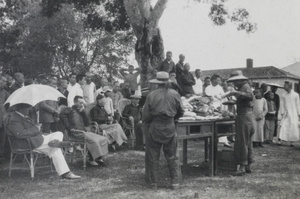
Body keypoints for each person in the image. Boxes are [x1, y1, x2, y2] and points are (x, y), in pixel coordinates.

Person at [4, 104, 80, 179]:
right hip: (28, 143)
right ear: (22, 109)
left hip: (36, 139)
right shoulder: (14, 119)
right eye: (28, 108)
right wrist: (36, 129)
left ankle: (55, 142)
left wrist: (37, 128)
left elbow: (29, 130)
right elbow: (20, 134)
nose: (29, 110)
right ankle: (65, 172)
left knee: (58, 133)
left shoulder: (21, 117)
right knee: (54, 148)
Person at [143, 71, 184, 190]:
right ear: (168, 82)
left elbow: (146, 116)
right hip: (170, 126)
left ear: (157, 83)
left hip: (155, 126)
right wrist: (173, 118)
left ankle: (153, 183)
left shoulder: (151, 95)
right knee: (172, 156)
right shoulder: (175, 94)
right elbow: (181, 111)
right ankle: (175, 183)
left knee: (153, 156)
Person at [59, 96, 109, 166]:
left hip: (83, 132)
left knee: (102, 138)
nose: (82, 104)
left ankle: (98, 157)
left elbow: (87, 123)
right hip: (75, 133)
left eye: (83, 103)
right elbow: (61, 115)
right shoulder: (69, 109)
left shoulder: (81, 111)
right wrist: (69, 127)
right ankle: (91, 159)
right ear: (75, 102)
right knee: (93, 140)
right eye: (80, 103)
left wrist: (83, 113)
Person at [227, 70, 255, 176]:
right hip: (248, 116)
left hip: (244, 116)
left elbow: (250, 96)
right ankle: (248, 165)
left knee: (241, 141)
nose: (234, 84)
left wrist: (235, 93)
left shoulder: (245, 87)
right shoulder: (244, 87)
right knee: (248, 141)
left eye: (234, 82)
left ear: (238, 81)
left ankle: (242, 167)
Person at [278, 81, 300, 146]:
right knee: (283, 125)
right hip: (286, 113)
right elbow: (282, 105)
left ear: (289, 86)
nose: (284, 87)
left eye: (285, 85)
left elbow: (298, 105)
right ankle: (281, 139)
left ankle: (292, 142)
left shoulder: (296, 95)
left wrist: (299, 114)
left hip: (294, 113)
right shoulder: (284, 95)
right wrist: (282, 113)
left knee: (293, 126)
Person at [0, 76, 10, 161]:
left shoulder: (4, 92)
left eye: (6, 81)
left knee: (2, 140)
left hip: (2, 120)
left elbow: (10, 101)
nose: (5, 83)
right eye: (3, 81)